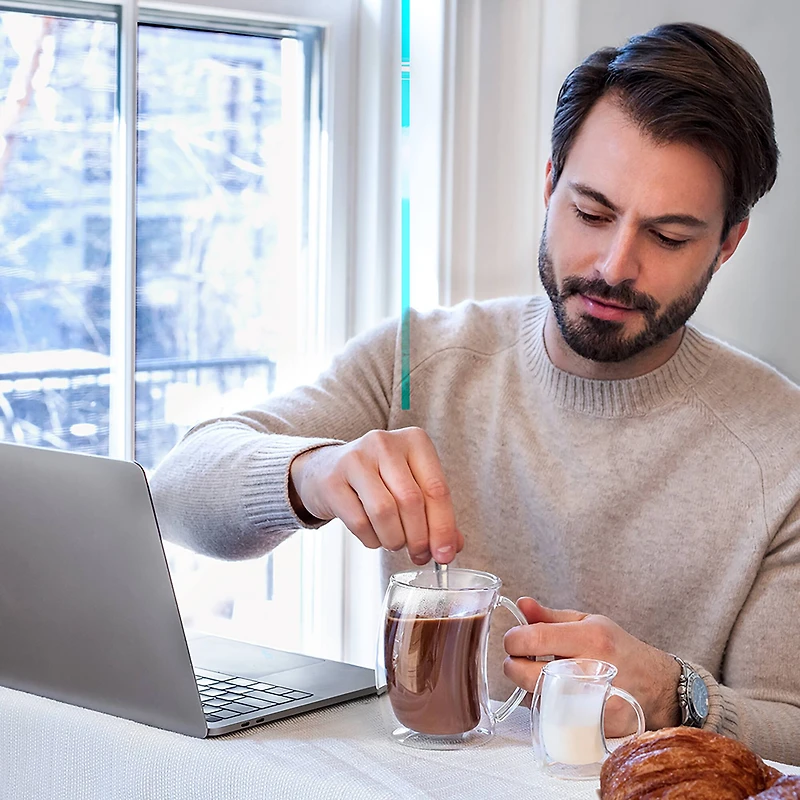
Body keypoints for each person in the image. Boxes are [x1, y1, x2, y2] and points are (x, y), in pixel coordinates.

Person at [150, 22, 800, 763]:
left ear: (729, 242)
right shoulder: (417, 359)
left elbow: (792, 723)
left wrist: (673, 694)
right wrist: (313, 472)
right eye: (591, 213)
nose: (616, 266)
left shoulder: (782, 449)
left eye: (670, 236)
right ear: (550, 185)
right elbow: (175, 492)